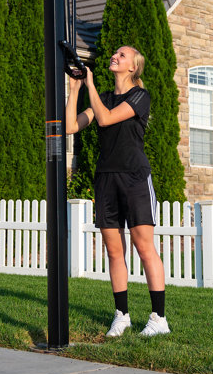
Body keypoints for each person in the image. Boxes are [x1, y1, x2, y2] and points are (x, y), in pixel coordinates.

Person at [65, 45, 170, 337]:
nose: (115, 56)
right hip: (106, 179)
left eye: (122, 55)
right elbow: (72, 126)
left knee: (144, 247)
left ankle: (159, 319)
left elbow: (106, 119)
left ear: (133, 67)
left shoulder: (139, 96)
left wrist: (90, 85)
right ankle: (121, 316)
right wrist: (75, 89)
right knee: (114, 251)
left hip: (135, 177)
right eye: (115, 53)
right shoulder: (104, 98)